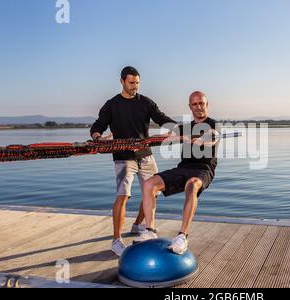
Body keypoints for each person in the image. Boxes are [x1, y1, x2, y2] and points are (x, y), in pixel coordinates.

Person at [90, 66, 177, 256]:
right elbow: (98, 126)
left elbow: (161, 118)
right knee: (123, 196)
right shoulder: (112, 104)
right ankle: (116, 241)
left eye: (137, 83)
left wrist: (177, 128)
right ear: (121, 81)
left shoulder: (146, 102)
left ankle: (138, 225)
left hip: (145, 155)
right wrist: (97, 137)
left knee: (153, 192)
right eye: (131, 83)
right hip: (123, 158)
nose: (135, 86)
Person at [135, 91, 219, 255]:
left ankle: (182, 236)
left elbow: (213, 138)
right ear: (190, 107)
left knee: (192, 184)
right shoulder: (184, 128)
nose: (198, 107)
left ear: (207, 105)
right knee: (149, 184)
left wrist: (200, 140)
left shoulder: (213, 125)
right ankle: (150, 229)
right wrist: (147, 140)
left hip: (203, 169)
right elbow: (166, 136)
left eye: (201, 103)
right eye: (194, 104)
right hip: (183, 168)